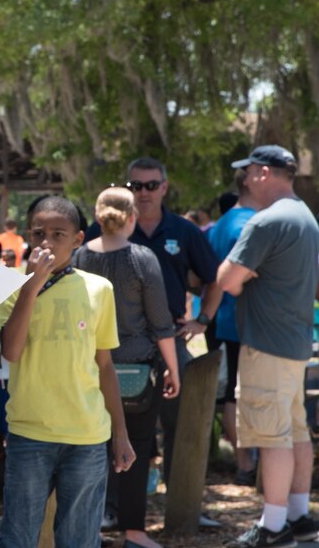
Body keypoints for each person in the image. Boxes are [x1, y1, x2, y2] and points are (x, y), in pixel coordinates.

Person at [0, 196, 134, 548]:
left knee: (80, 539)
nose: (47, 243)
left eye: (58, 234)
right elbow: (11, 351)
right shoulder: (10, 288)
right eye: (39, 233)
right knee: (18, 537)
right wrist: (31, 286)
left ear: (78, 239)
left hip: (87, 435)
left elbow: (105, 366)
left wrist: (120, 433)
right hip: (30, 432)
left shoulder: (98, 289)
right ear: (27, 235)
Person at [86, 156, 222, 489]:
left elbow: (214, 278)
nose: (143, 193)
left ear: (164, 187)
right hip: (109, 345)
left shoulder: (184, 230)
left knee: (180, 421)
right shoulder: (96, 234)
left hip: (168, 340)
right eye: (135, 186)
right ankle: (112, 507)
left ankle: (180, 499)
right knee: (105, 424)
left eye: (150, 185)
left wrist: (202, 320)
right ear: (125, 188)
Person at [218, 145, 319, 548]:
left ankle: (273, 527)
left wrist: (242, 277)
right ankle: (298, 516)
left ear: (262, 172)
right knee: (295, 431)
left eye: (248, 173)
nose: (244, 181)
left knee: (272, 436)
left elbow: (227, 279)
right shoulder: (306, 217)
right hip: (296, 343)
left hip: (266, 343)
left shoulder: (267, 221)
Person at [72, 187, 180, 548]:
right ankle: (134, 531)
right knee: (137, 447)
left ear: (97, 216)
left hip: (88, 371)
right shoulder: (142, 259)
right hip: (136, 372)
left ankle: (91, 528)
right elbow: (161, 321)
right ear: (132, 217)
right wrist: (173, 369)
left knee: (90, 452)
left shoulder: (78, 258)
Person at [207, 169, 258, 485]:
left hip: (223, 321)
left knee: (232, 394)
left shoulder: (219, 225)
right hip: (247, 321)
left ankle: (244, 464)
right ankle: (248, 465)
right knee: (243, 395)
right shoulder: (248, 224)